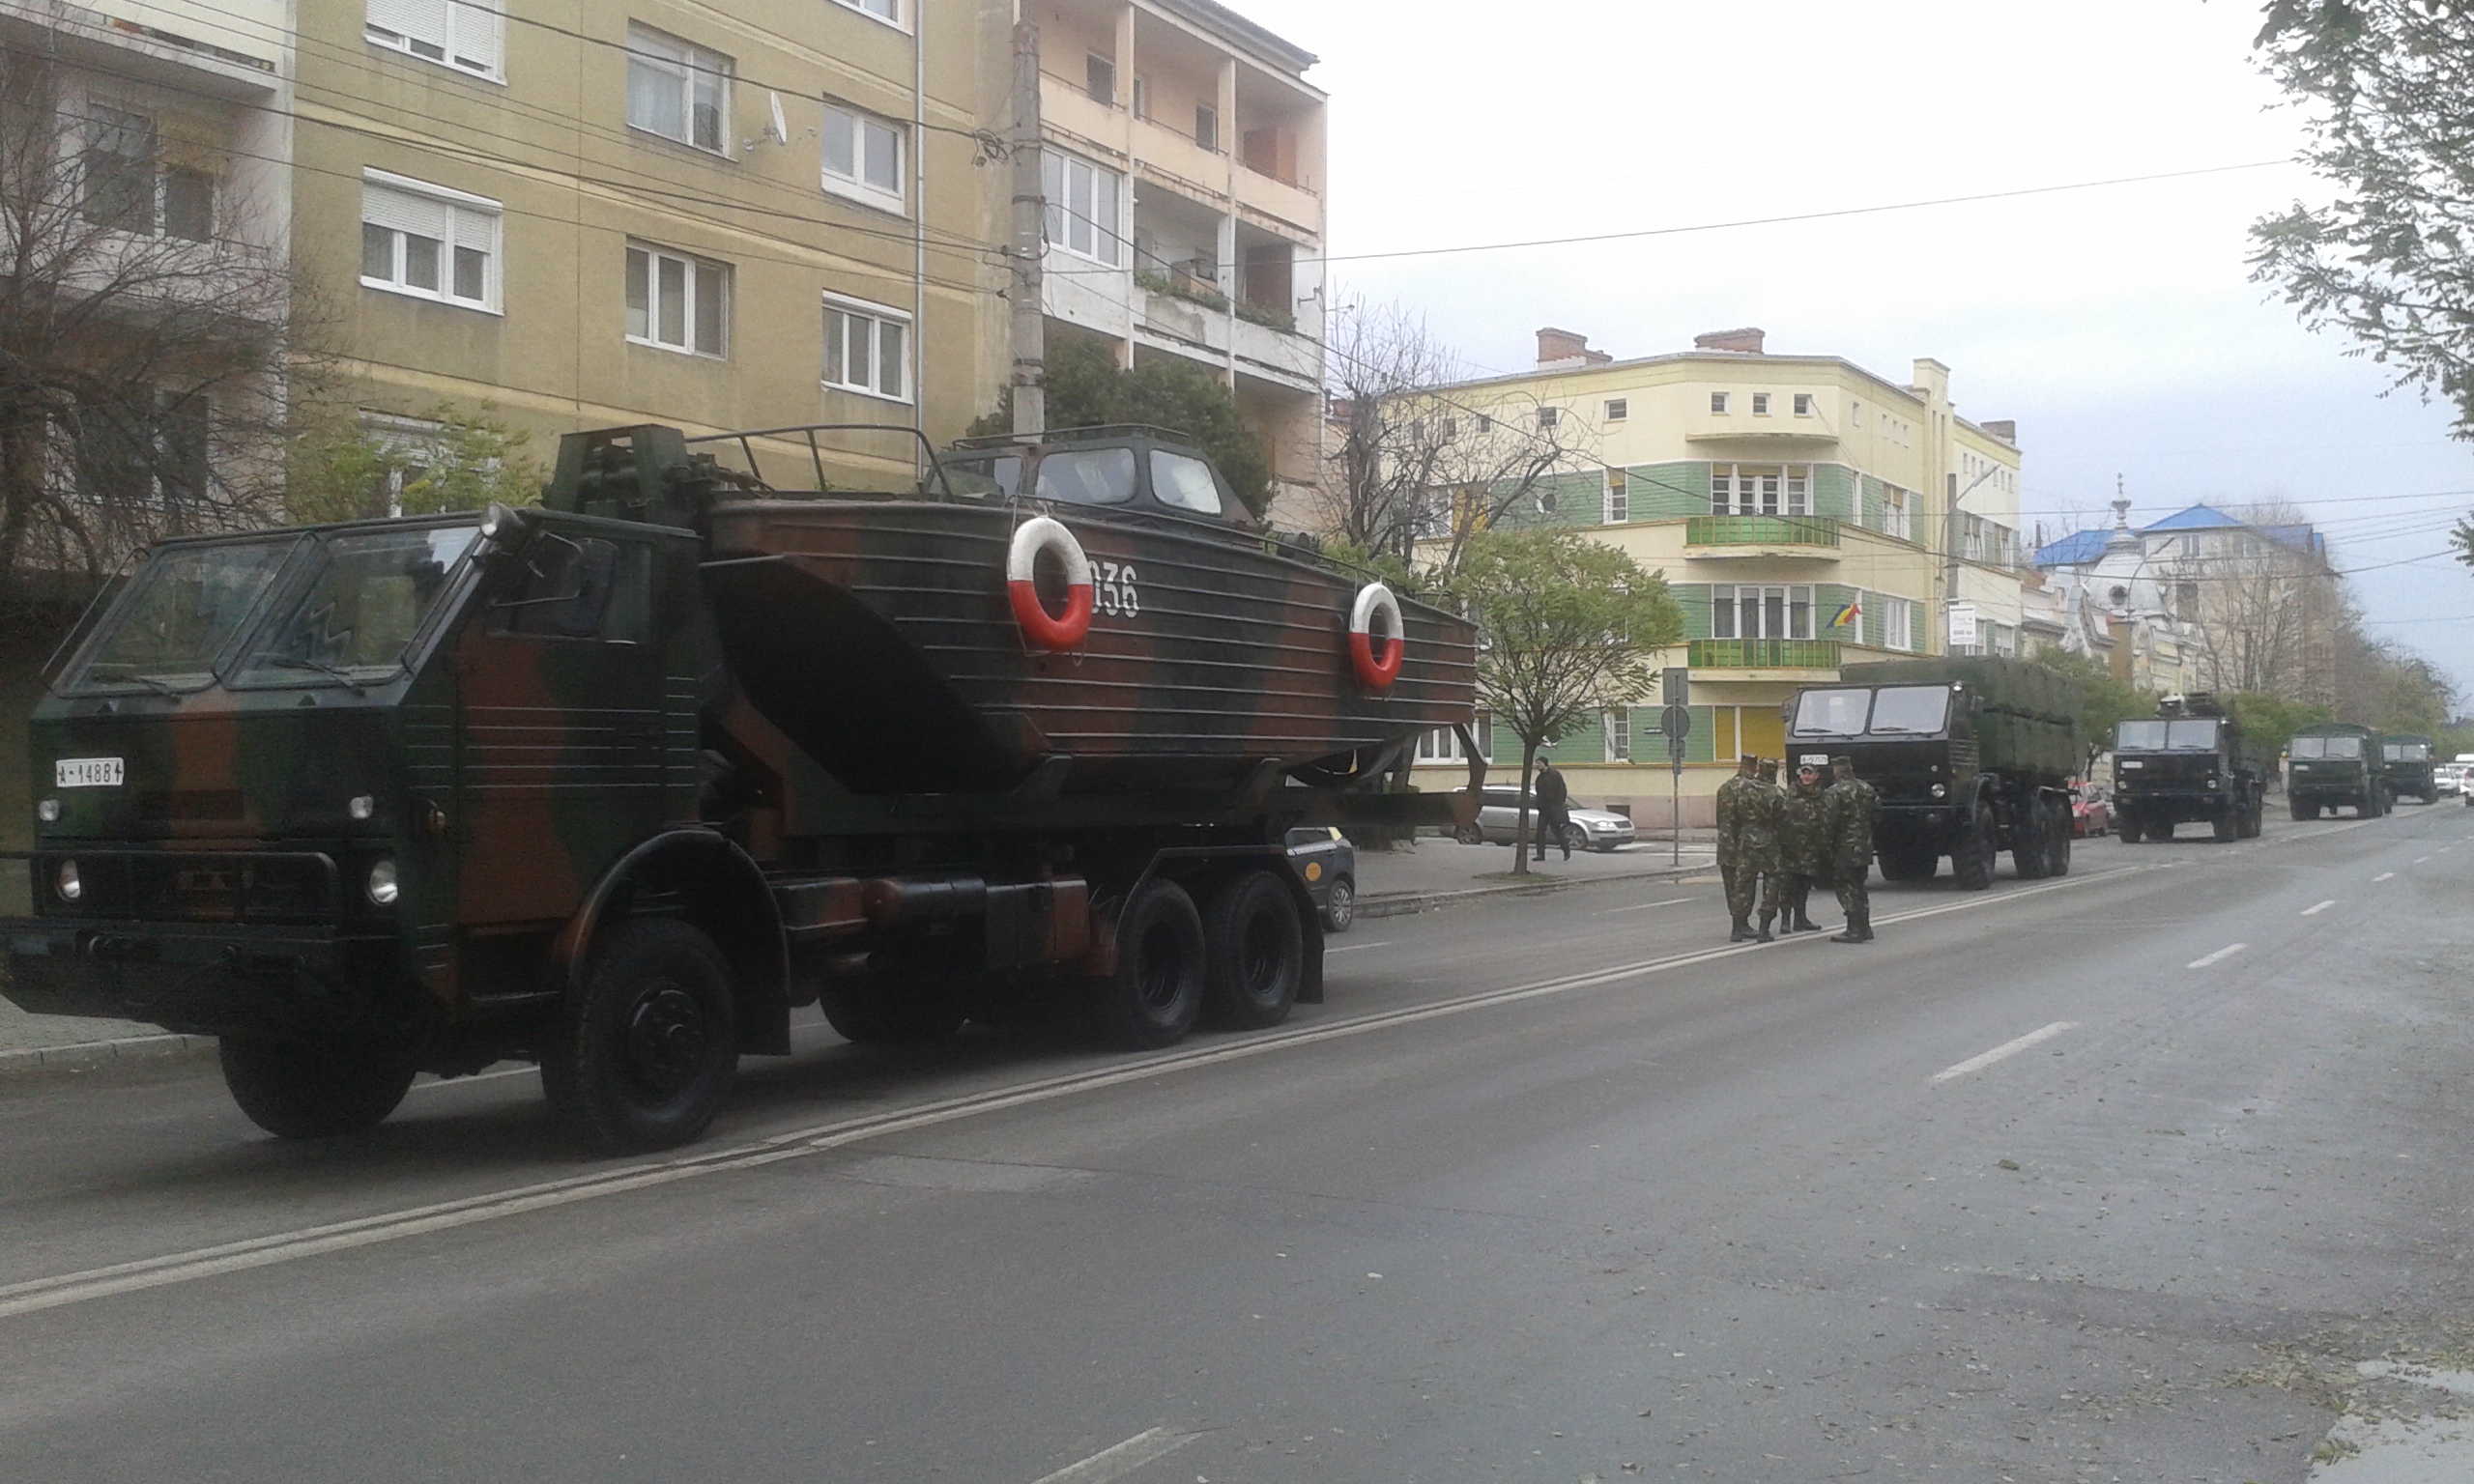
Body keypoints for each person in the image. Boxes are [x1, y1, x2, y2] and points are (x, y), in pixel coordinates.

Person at [1713, 754, 1781, 941]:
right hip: (1746, 843)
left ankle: (1738, 924)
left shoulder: (1725, 787)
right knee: (1747, 885)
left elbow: (1722, 819)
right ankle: (1745, 925)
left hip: (1728, 844)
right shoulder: (1749, 788)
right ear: (1753, 769)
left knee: (1735, 887)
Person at [1822, 754, 1883, 943]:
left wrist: (1825, 845)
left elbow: (1828, 822)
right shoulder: (1867, 789)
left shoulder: (1834, 792)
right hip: (1863, 845)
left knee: (1846, 887)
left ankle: (1854, 929)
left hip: (1844, 847)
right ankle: (1865, 927)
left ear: (1837, 771)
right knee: (1859, 886)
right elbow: (1878, 815)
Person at [1774, 760, 1831, 933]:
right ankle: (1785, 920)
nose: (1806, 777)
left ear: (1816, 776)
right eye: (1803, 773)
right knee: (1787, 885)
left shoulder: (1821, 796)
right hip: (1790, 848)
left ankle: (1801, 919)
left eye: (1809, 774)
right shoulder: (1789, 795)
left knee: (1804, 885)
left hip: (1810, 848)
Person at [1532, 760, 1571, 862]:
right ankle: (1540, 854)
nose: (1537, 765)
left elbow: (1562, 790)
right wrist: (1538, 804)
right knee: (1540, 832)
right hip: (1544, 809)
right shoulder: (1540, 778)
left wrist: (1558, 804)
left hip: (1554, 809)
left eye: (1539, 763)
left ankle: (1566, 850)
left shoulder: (1554, 775)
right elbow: (1538, 792)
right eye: (1536, 763)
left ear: (1545, 764)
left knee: (1557, 831)